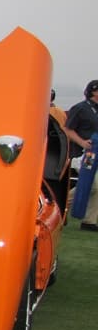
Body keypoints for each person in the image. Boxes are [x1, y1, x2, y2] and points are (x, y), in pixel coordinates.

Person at [64, 79, 98, 231]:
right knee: (91, 184)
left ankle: (89, 221)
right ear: (94, 91)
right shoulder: (80, 108)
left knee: (97, 185)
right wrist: (82, 142)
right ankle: (62, 205)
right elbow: (68, 129)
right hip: (85, 153)